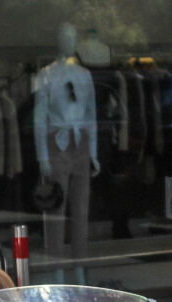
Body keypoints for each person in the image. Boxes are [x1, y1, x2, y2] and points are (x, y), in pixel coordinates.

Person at [33, 22, 98, 281]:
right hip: (56, 143)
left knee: (81, 210)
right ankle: (57, 269)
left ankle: (80, 269)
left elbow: (92, 114)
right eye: (64, 37)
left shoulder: (84, 74)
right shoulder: (46, 75)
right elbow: (39, 116)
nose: (68, 42)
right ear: (57, 41)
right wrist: (42, 155)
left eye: (72, 37)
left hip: (79, 143)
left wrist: (92, 151)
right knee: (55, 212)